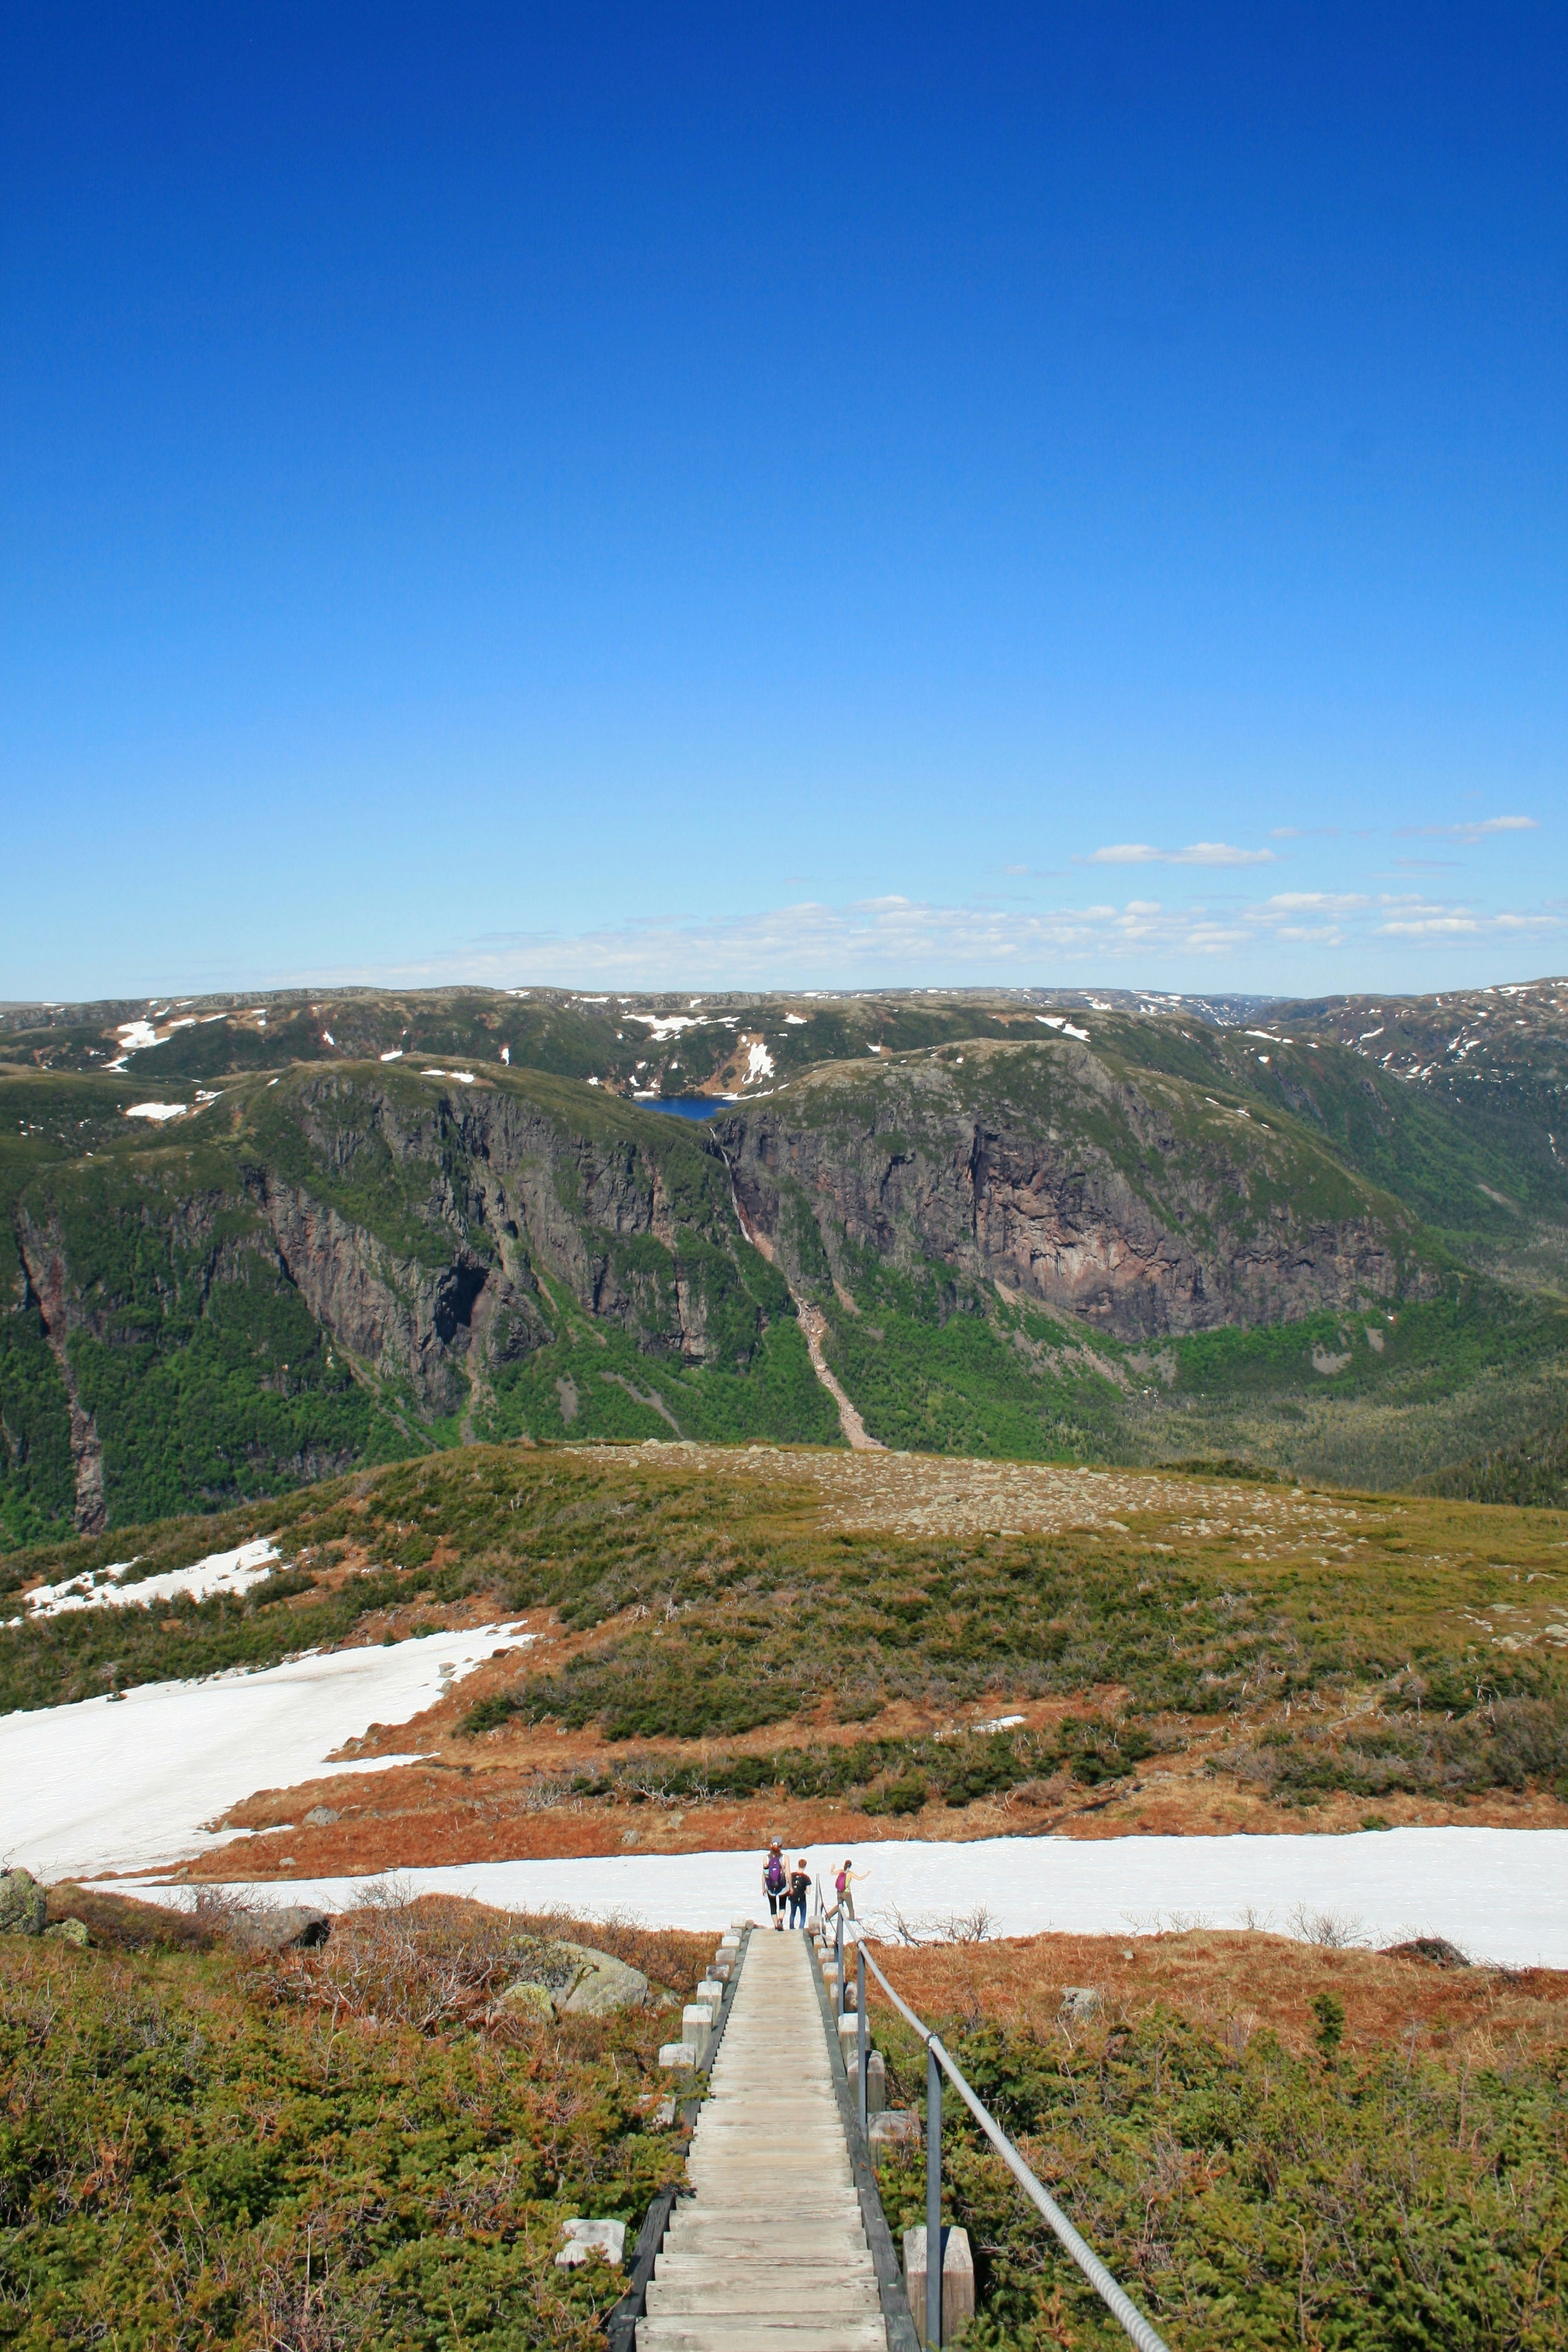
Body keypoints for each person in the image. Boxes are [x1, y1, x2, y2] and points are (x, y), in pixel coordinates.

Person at [828, 1857, 867, 1926]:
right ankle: (852, 1920)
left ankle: (828, 1916)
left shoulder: (841, 1871)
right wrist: (867, 1875)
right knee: (850, 1907)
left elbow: (832, 1873)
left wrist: (833, 1868)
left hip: (839, 1892)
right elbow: (859, 1878)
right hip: (847, 1893)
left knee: (839, 1906)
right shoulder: (850, 1874)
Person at [762, 1839, 788, 1930]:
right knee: (782, 1905)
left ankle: (776, 1925)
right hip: (782, 1886)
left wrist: (763, 1888)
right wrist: (791, 1887)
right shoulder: (785, 1858)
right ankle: (781, 1920)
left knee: (773, 1907)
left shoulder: (766, 1858)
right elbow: (788, 1873)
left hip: (770, 1886)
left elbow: (764, 1874)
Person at [787, 1855, 811, 1930]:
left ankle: (791, 1927)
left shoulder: (792, 1875)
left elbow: (788, 1886)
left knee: (793, 1913)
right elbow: (808, 1892)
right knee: (803, 1914)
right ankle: (801, 1929)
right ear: (805, 1866)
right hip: (802, 1899)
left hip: (793, 1898)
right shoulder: (806, 1878)